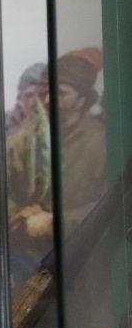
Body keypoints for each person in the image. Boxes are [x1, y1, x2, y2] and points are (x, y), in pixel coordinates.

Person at [6, 47, 107, 254]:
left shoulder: (102, 143)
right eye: (47, 92)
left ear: (82, 99)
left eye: (61, 93)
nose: (48, 100)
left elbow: (114, 205)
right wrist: (21, 215)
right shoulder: (26, 138)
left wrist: (54, 222)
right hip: (27, 253)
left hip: (84, 255)